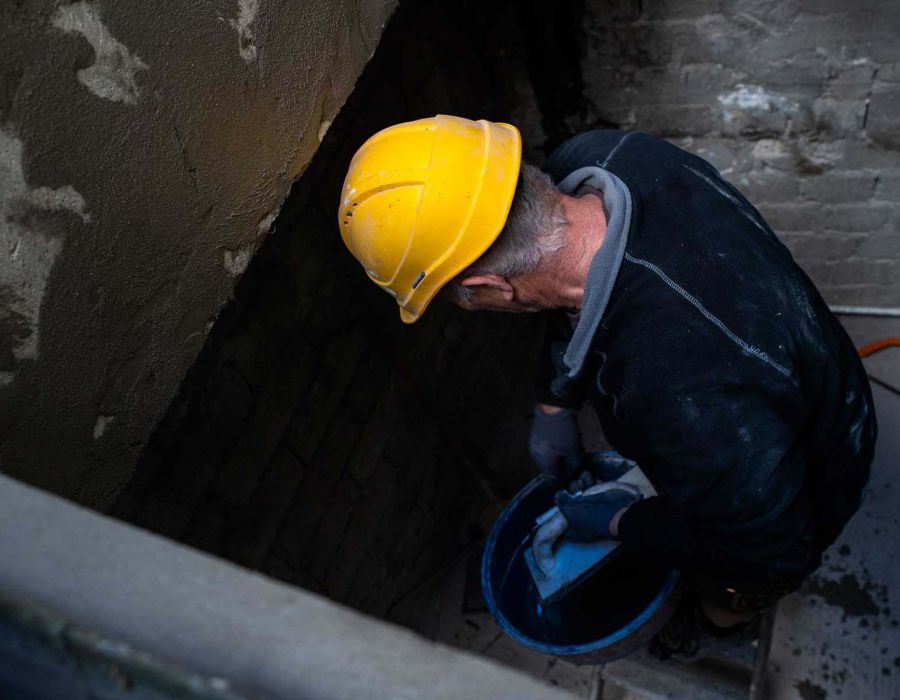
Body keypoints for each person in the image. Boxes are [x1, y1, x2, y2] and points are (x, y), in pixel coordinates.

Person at [337, 115, 877, 660]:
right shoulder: (607, 157)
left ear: (490, 286)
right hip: (788, 357)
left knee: (742, 580)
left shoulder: (677, 388)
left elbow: (771, 547)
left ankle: (717, 628)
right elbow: (566, 303)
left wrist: (621, 521)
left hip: (816, 456)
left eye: (462, 299)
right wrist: (554, 402)